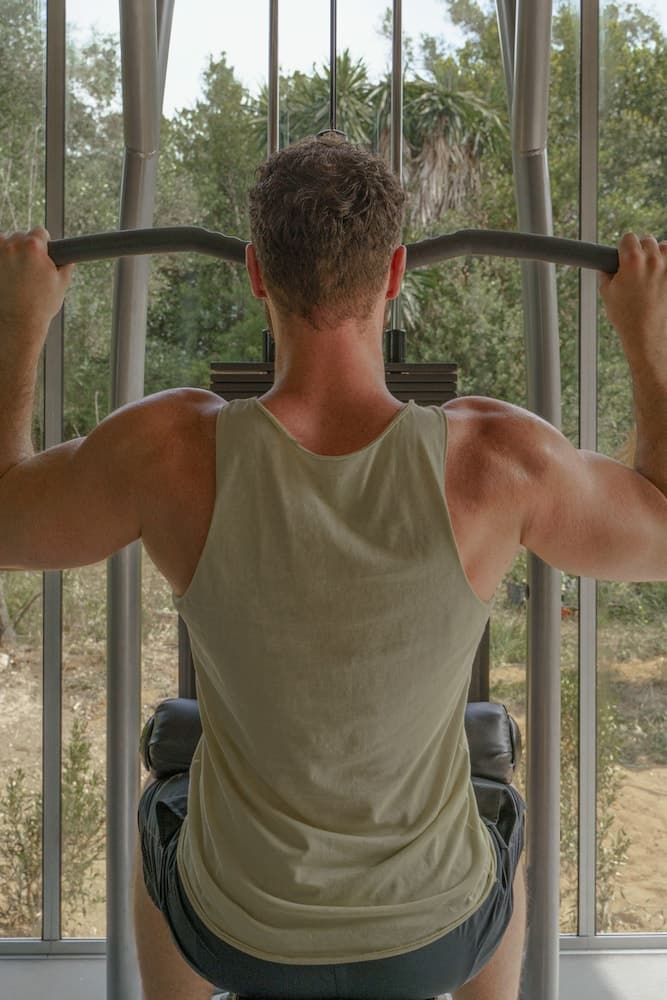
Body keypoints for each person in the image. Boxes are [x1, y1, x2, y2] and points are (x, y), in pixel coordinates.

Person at [0, 134, 665, 1000]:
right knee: (497, 794)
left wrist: (20, 326)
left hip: (236, 934)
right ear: (394, 274)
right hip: (436, 938)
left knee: (164, 794)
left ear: (255, 272)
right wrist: (645, 337)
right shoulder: (498, 460)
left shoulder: (165, 450)